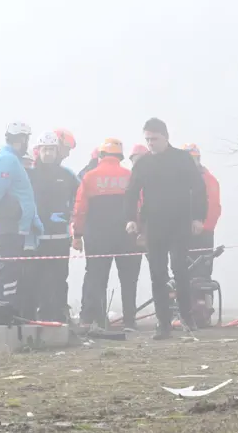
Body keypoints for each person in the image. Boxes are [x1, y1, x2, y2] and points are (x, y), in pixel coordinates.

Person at [125, 118, 208, 339]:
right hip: (154, 224)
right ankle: (163, 324)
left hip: (180, 222)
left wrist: (199, 218)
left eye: (154, 139)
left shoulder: (182, 159)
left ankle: (187, 318)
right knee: (157, 274)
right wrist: (131, 219)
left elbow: (199, 188)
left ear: (166, 137)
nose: (151, 143)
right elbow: (131, 193)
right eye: (147, 139)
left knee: (180, 270)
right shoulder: (143, 164)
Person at [72, 138, 142, 331]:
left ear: (101, 156)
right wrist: (141, 231)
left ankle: (100, 320)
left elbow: (80, 209)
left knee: (97, 277)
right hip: (127, 236)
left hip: (97, 236)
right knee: (129, 279)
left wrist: (77, 234)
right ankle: (129, 321)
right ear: (120, 156)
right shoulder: (130, 176)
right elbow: (140, 206)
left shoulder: (90, 177)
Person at [0, 122, 42, 312]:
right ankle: (4, 311)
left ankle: (10, 311)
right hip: (8, 225)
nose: (27, 144)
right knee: (8, 271)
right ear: (20, 139)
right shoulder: (7, 159)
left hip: (15, 225)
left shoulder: (11, 159)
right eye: (26, 139)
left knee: (13, 271)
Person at [24, 131, 79, 322]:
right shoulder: (28, 174)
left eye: (51, 150)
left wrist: (71, 215)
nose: (48, 154)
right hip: (35, 238)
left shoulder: (67, 175)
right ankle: (36, 315)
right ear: (38, 151)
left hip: (60, 238)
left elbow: (79, 198)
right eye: (44, 149)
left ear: (57, 152)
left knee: (59, 278)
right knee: (35, 278)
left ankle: (59, 314)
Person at [182, 143, 222, 280]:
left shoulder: (208, 180)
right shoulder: (210, 180)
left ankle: (202, 299)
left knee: (198, 274)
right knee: (190, 273)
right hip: (191, 233)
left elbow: (214, 207)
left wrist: (203, 227)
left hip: (196, 234)